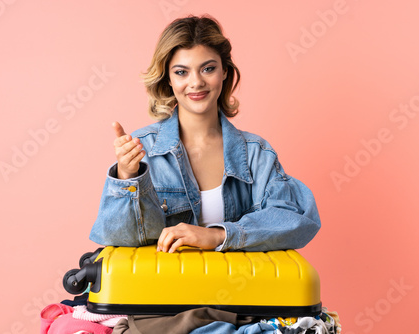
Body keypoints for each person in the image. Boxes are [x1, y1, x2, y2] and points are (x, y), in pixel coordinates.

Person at [89, 15, 321, 253]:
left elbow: (296, 220)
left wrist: (218, 235)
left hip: (237, 288)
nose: (196, 82)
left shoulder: (256, 154)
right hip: (164, 289)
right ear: (168, 78)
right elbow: (117, 239)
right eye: (182, 72)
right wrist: (128, 176)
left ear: (224, 72)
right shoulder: (142, 149)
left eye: (208, 69)